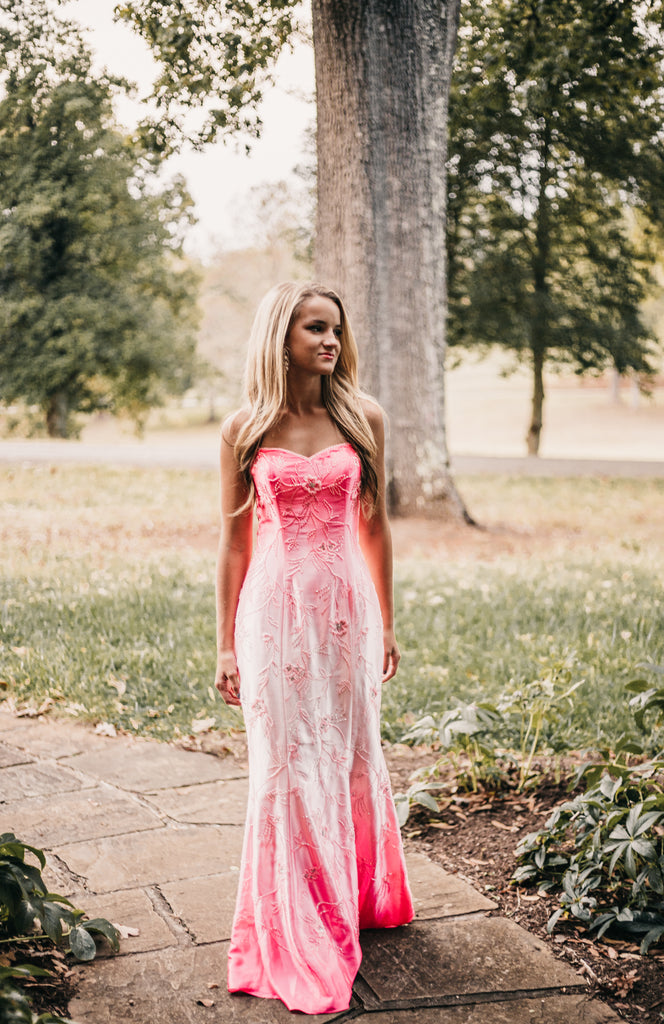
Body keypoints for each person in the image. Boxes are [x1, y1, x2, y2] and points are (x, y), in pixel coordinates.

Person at [215, 282, 414, 1014]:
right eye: (314, 329)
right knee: (283, 760)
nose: (329, 341)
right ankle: (295, 922)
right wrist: (224, 645)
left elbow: (377, 525)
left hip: (345, 614)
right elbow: (234, 540)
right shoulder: (245, 426)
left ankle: (355, 893)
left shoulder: (363, 417)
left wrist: (387, 623)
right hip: (270, 613)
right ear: (282, 335)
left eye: (335, 329)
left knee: (349, 751)